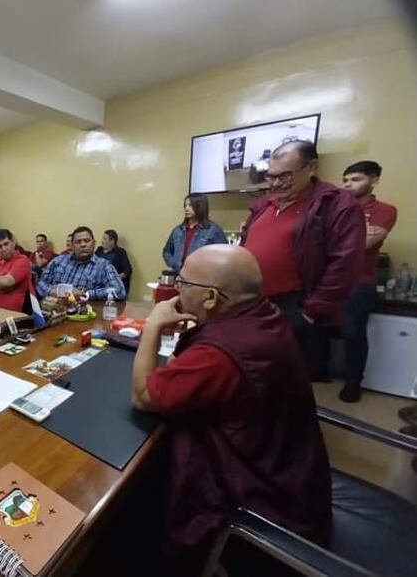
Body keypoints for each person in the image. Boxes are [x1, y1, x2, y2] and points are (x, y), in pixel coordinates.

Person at [131, 245, 331, 576]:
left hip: (265, 500)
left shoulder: (219, 355)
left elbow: (142, 395)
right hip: (297, 471)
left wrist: (152, 326)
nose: (177, 289)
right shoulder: (264, 315)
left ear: (211, 297)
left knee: (146, 475)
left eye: (182, 282)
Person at [241, 141, 365, 380]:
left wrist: (313, 310)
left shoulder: (336, 204)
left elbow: (346, 262)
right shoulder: (264, 203)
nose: (276, 183)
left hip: (296, 306)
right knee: (258, 375)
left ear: (311, 167)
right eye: (271, 176)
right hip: (257, 303)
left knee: (290, 381)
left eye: (284, 176)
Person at [339, 161, 397, 402]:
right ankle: (318, 371)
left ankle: (354, 382)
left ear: (374, 180)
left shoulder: (385, 209)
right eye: (345, 180)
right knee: (316, 328)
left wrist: (336, 236)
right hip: (330, 278)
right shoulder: (337, 206)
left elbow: (365, 245)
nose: (348, 185)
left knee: (353, 333)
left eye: (356, 179)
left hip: (360, 281)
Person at [37, 226, 126, 300]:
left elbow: (119, 291)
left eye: (87, 241)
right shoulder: (58, 261)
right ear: (72, 245)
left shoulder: (104, 266)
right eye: (78, 242)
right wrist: (53, 291)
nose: (83, 245)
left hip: (84, 315)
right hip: (54, 311)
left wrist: (86, 294)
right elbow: (40, 283)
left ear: (94, 243)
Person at [162, 194, 227, 272]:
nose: (186, 209)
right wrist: (174, 264)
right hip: (179, 276)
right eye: (185, 206)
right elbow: (167, 251)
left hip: (201, 277)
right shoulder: (178, 230)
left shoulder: (213, 230)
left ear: (200, 206)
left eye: (190, 205)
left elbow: (223, 256)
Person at [95, 229, 133, 293]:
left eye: (104, 239)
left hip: (112, 284)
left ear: (112, 241)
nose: (102, 241)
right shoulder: (99, 250)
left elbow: (127, 269)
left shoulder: (120, 252)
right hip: (98, 283)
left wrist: (116, 278)